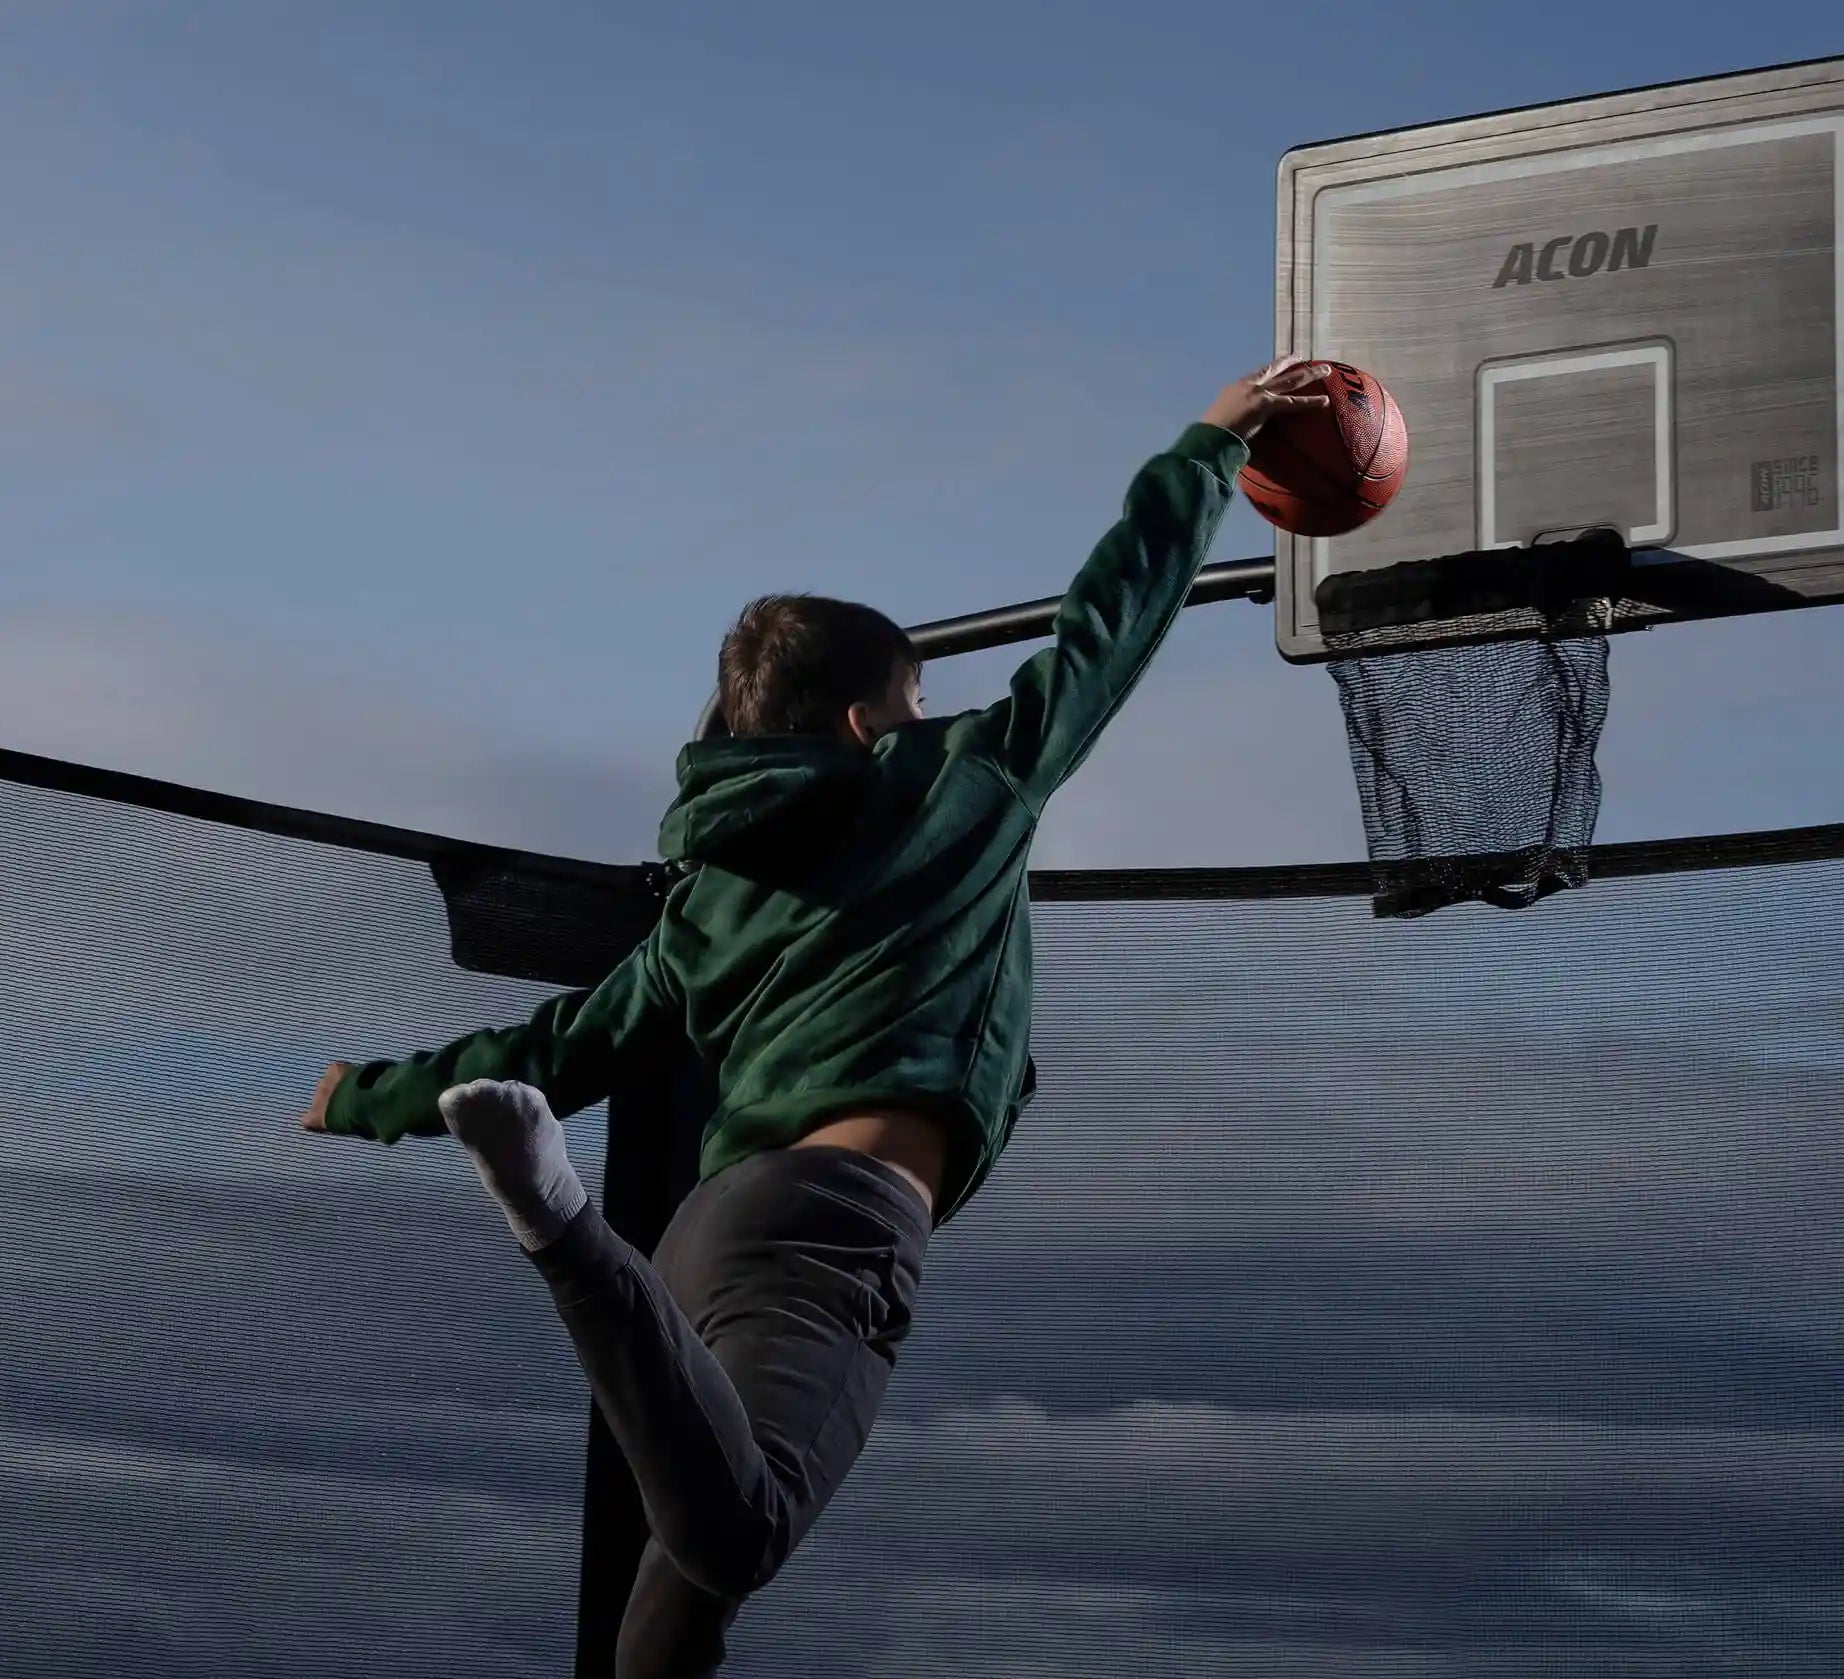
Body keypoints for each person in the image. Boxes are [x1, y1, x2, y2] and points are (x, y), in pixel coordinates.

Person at [300, 357, 1332, 1676]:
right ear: (861, 719)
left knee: (677, 1614)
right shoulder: (961, 784)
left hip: (714, 1233)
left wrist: (364, 1097)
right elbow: (1107, 624)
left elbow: (556, 1050)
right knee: (739, 1536)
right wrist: (1204, 447)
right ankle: (559, 1230)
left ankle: (568, 1230)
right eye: (910, 702)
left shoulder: (706, 897)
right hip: (830, 1235)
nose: (928, 717)